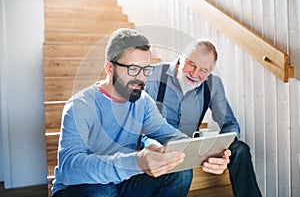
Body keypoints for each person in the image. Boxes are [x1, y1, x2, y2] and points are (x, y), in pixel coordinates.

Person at [51, 28, 231, 197]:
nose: (141, 78)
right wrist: (137, 162)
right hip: (80, 187)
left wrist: (209, 154)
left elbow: (172, 136)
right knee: (101, 192)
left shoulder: (143, 102)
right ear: (109, 68)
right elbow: (69, 169)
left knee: (180, 173)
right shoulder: (80, 105)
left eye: (146, 70)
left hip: (123, 182)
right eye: (133, 69)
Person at [145, 40, 262, 197]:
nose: (194, 74)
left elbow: (230, 123)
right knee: (181, 172)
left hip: (190, 145)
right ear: (181, 58)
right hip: (158, 145)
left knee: (240, 149)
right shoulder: (153, 76)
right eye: (191, 64)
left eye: (203, 70)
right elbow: (138, 123)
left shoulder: (213, 85)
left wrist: (224, 146)